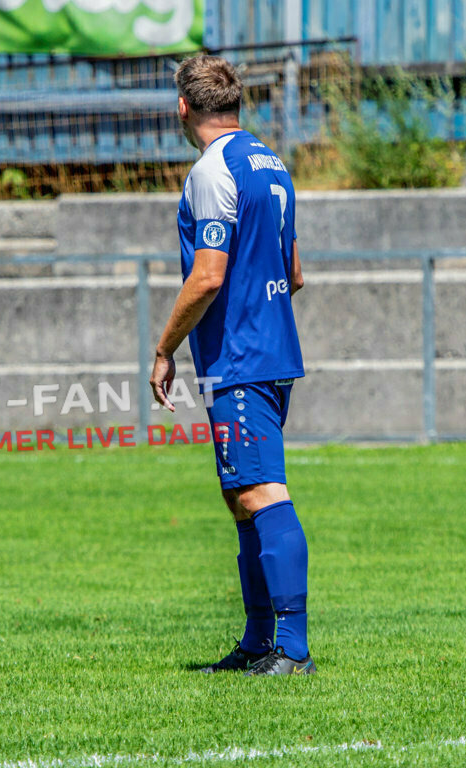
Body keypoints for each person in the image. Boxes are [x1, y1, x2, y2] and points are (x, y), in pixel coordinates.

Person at [149, 55, 313, 676]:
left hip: (239, 357)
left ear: (184, 108)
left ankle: (291, 649)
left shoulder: (211, 171)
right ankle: (257, 641)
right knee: (239, 496)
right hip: (269, 349)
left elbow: (208, 275)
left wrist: (165, 348)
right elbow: (292, 272)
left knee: (261, 490)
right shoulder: (272, 164)